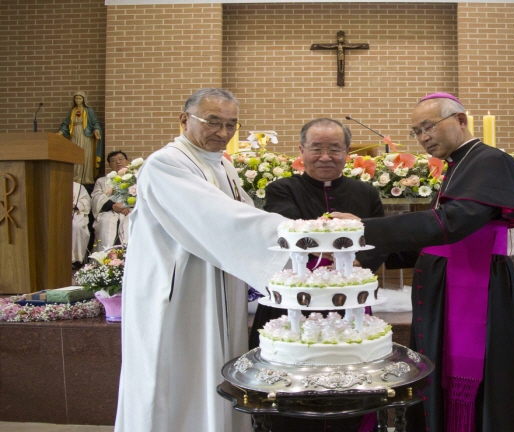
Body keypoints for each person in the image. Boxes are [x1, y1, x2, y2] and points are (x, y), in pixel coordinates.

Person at [334, 93, 514, 432]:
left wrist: (363, 228)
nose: (423, 137)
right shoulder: (460, 164)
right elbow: (434, 238)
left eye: (428, 127)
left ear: (460, 120)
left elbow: (453, 222)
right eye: (416, 131)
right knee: (438, 367)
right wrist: (358, 255)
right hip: (448, 287)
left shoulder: (489, 160)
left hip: (475, 289)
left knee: (479, 375)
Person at [114, 88, 289, 432]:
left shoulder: (223, 166)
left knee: (217, 365)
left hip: (218, 287)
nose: (223, 133)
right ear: (184, 120)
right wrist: (296, 234)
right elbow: (219, 218)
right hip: (180, 292)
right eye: (213, 122)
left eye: (231, 124)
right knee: (179, 372)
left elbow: (243, 217)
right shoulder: (166, 163)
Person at [248, 118, 385, 432]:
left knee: (350, 381)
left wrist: (358, 260)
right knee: (293, 382)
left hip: (348, 297)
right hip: (293, 300)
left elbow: (379, 242)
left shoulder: (365, 192)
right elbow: (288, 226)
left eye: (335, 149)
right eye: (316, 149)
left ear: (347, 152)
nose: (326, 157)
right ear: (301, 150)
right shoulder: (281, 189)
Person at [58, 91, 103, 185]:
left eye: (80, 98)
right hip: (74, 134)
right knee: (74, 155)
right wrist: (61, 132)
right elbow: (66, 124)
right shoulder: (72, 111)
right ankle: (76, 177)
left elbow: (95, 122)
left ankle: (86, 177)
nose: (78, 100)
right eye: (76, 98)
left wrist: (96, 129)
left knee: (86, 156)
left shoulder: (89, 111)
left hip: (86, 135)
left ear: (84, 99)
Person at [91, 151, 131, 250]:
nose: (118, 162)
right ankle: (106, 257)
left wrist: (124, 205)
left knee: (131, 222)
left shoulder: (135, 178)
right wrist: (113, 205)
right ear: (109, 165)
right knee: (106, 223)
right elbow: (97, 196)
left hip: (130, 210)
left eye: (120, 159)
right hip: (109, 211)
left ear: (127, 161)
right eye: (113, 160)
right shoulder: (102, 181)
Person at [72, 181, 91, 268]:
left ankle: (75, 259)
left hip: (75, 212)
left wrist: (75, 205)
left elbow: (86, 200)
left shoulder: (78, 186)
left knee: (76, 226)